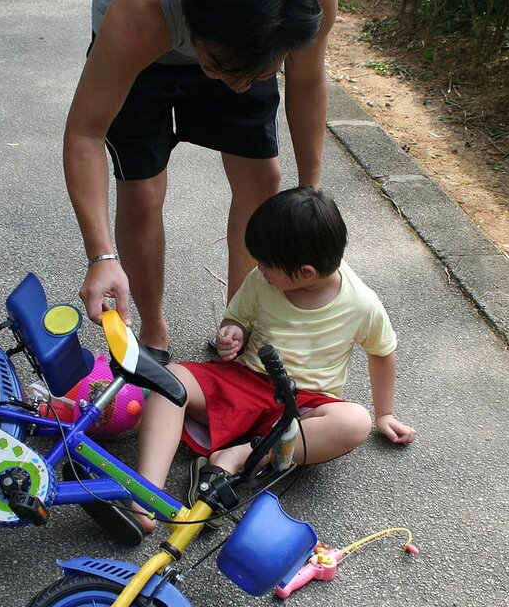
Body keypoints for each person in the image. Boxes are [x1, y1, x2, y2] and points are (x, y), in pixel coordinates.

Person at [64, 0, 337, 362]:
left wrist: (311, 192)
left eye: (255, 75)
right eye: (217, 69)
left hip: (243, 22)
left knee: (263, 177)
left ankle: (240, 322)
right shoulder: (145, 6)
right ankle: (152, 330)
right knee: (142, 189)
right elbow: (85, 131)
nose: (236, 87)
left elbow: (308, 84)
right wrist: (100, 255)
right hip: (150, 46)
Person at [131, 186, 416, 534]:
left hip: (302, 406)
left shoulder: (362, 304)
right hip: (246, 381)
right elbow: (238, 320)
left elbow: (382, 352)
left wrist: (384, 413)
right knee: (171, 379)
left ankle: (236, 457)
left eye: (267, 265)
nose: (259, 269)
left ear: (306, 273)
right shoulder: (263, 281)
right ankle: (144, 494)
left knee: (355, 421)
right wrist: (232, 333)